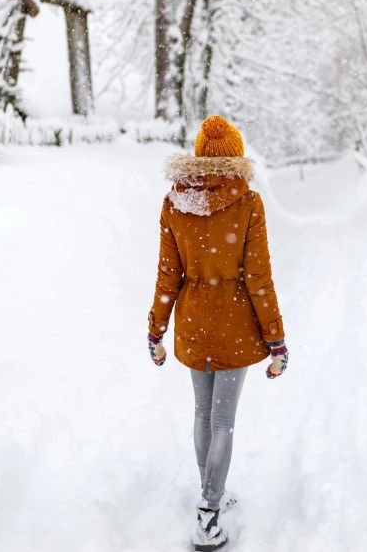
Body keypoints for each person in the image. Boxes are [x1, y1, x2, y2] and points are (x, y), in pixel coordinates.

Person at [147, 115, 289, 551]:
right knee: (223, 420)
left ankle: (212, 494)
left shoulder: (174, 202)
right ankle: (209, 514)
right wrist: (276, 339)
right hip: (235, 324)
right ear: (234, 156)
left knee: (202, 414)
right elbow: (258, 277)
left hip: (192, 323)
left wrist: (156, 329)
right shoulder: (247, 202)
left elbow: (168, 274)